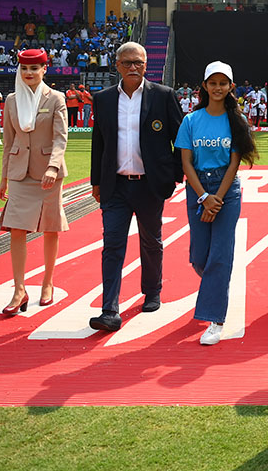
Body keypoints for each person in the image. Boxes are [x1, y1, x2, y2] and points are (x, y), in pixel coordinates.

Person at [88, 42, 184, 332]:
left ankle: (152, 290)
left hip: (149, 185)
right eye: (127, 63)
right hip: (115, 185)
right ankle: (109, 309)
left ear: (146, 65)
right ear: (116, 65)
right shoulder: (103, 99)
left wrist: (175, 175)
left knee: (151, 241)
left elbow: (180, 139)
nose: (133, 68)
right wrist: (96, 181)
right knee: (112, 245)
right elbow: (99, 143)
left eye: (138, 63)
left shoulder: (164, 96)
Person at [175, 61, 258, 345]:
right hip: (198, 188)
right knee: (200, 257)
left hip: (226, 192)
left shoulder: (237, 120)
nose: (218, 88)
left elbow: (234, 162)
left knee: (220, 256)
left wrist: (217, 199)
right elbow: (185, 161)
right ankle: (216, 286)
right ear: (205, 86)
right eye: (213, 83)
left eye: (223, 83)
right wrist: (203, 198)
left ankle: (215, 319)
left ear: (231, 87)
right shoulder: (191, 120)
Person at [0, 49, 68, 314]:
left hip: (48, 174)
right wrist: (4, 177)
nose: (29, 73)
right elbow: (8, 142)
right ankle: (19, 290)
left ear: (44, 69)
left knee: (51, 228)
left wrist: (52, 166)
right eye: (25, 69)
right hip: (18, 174)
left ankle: (47, 282)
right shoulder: (12, 101)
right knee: (16, 229)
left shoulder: (57, 98)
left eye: (34, 68)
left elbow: (61, 138)